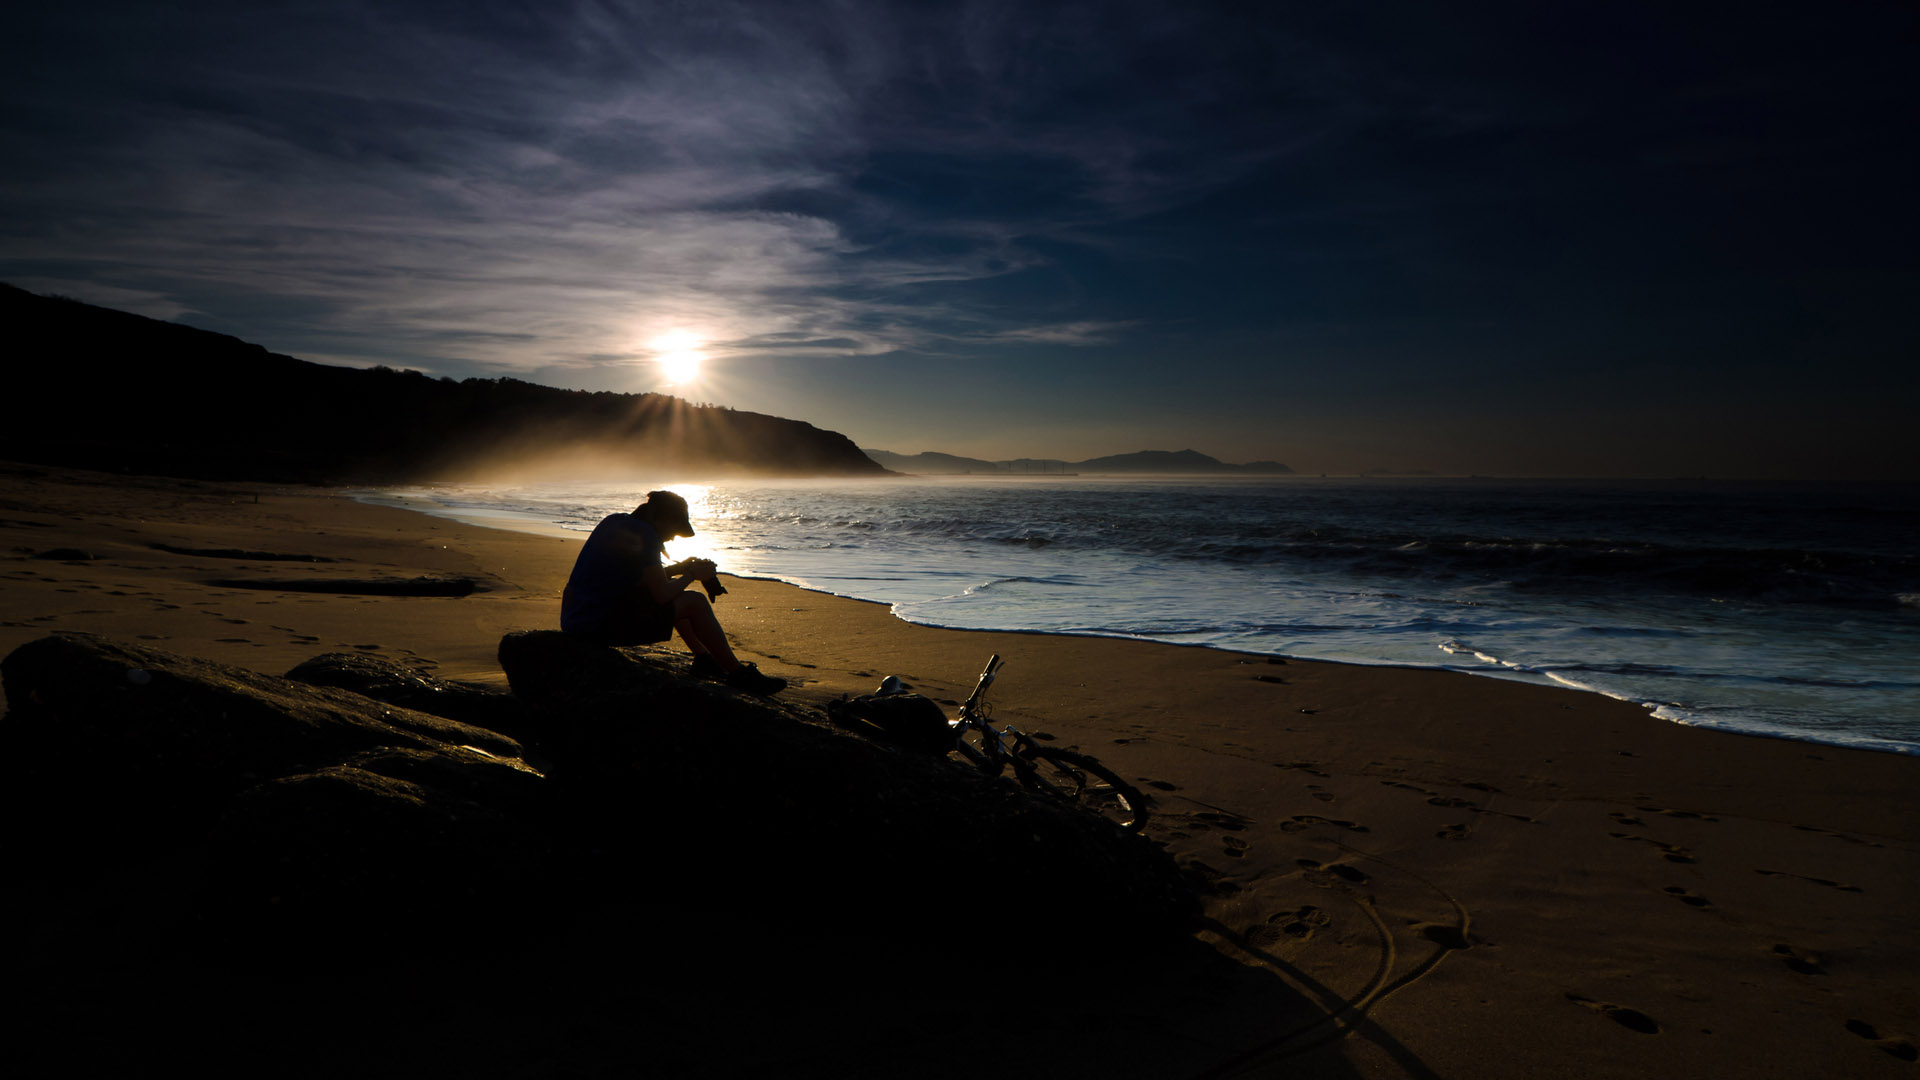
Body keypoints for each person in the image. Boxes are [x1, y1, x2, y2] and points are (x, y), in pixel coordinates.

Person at [560, 490, 786, 694]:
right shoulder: (646, 536)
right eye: (675, 530)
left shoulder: (617, 522)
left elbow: (636, 580)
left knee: (677, 595)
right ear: (664, 520)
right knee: (695, 602)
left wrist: (679, 569)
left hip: (576, 619)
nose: (673, 537)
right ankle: (738, 674)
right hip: (599, 627)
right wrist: (691, 576)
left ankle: (703, 659)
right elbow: (662, 595)